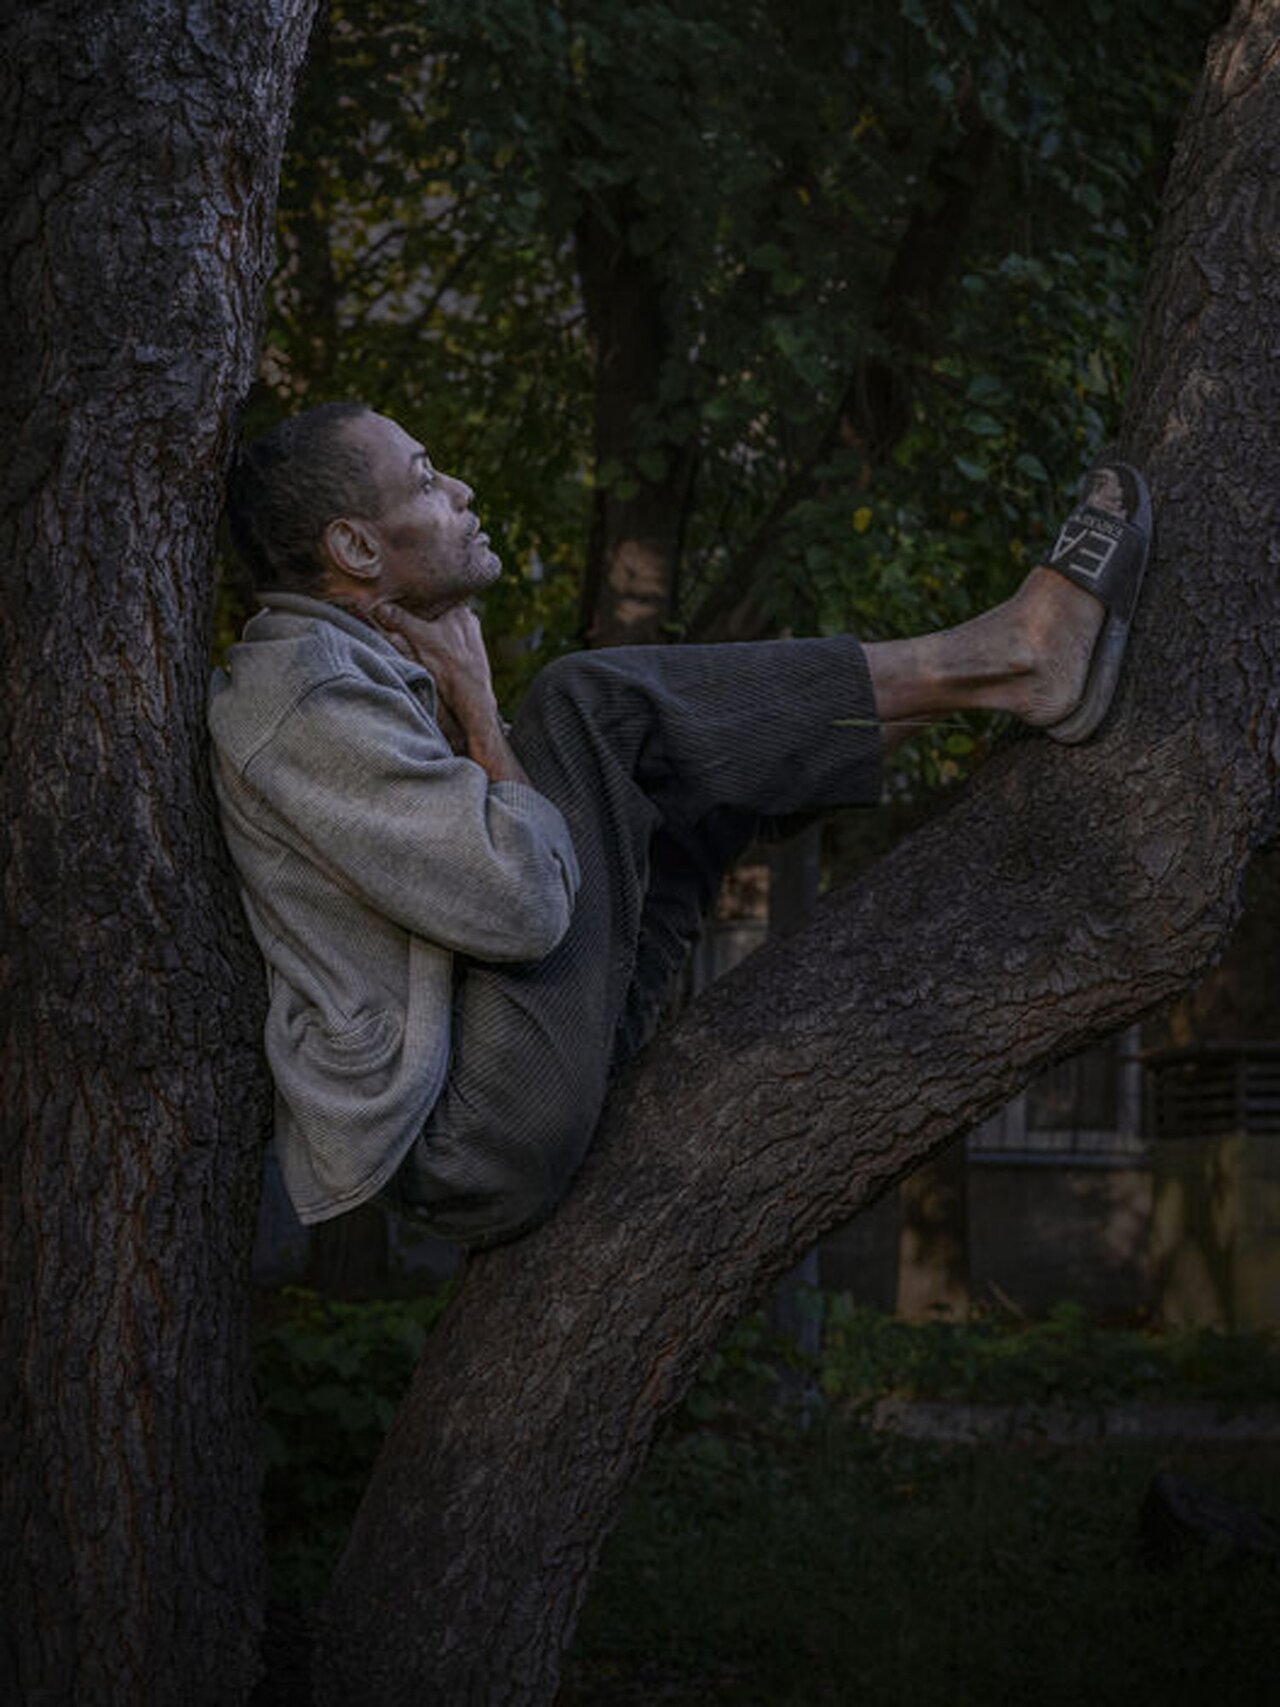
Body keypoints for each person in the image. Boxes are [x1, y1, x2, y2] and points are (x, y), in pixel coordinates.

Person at [210, 402, 1152, 1247]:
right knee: (586, 705)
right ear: (357, 551)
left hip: (509, 1067)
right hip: (462, 1137)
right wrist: (483, 709)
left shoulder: (358, 668)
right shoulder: (306, 695)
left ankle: (996, 700)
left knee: (689, 780)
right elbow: (526, 903)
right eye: (423, 479)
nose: (458, 489)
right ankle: (1011, 660)